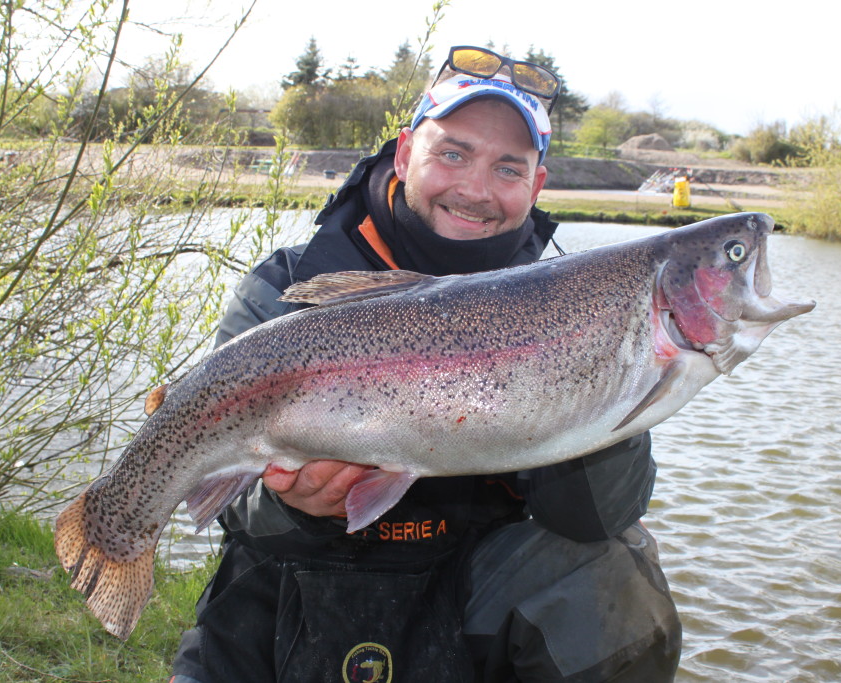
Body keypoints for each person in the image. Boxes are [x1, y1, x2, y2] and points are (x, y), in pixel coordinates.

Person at [170, 45, 681, 683]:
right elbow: (224, 506)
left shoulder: (575, 305)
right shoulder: (288, 287)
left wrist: (594, 386)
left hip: (469, 589)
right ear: (406, 152)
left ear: (536, 186)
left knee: (621, 568)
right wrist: (294, 507)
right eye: (453, 153)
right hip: (290, 583)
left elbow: (597, 520)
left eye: (507, 168)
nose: (474, 189)